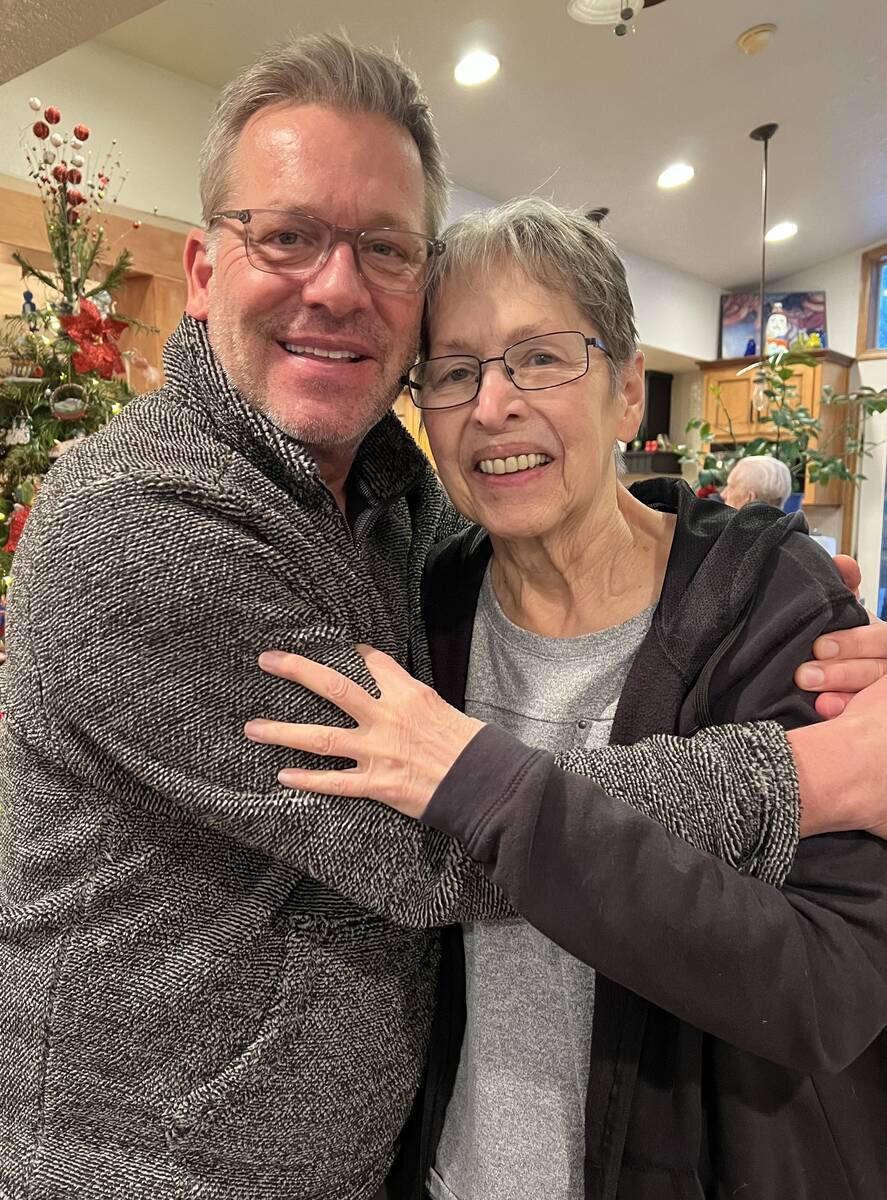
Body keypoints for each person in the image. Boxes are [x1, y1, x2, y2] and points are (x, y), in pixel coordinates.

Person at [2, 33, 886, 1200]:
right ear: (204, 270)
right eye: (285, 235)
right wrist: (805, 775)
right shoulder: (147, 524)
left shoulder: (398, 515)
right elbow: (428, 844)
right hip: (157, 1173)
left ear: (629, 385)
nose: (334, 285)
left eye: (382, 248)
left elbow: (829, 977)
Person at [246, 199, 887, 1199]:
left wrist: (487, 787)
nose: (492, 405)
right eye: (452, 373)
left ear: (628, 391)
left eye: (540, 357)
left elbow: (826, 989)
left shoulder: (775, 608)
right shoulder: (424, 615)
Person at [721, 453, 793, 509]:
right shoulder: (791, 526)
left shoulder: (726, 526)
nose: (723, 494)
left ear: (750, 498)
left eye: (731, 487)